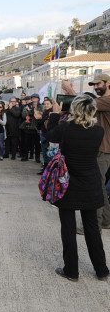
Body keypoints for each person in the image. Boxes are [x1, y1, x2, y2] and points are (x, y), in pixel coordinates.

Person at [46, 95, 109, 282]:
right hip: (91, 184)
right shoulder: (98, 131)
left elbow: (50, 135)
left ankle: (71, 270)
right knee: (92, 229)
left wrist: (55, 115)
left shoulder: (65, 128)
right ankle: (102, 269)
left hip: (68, 185)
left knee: (68, 228)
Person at [63, 76, 110, 231]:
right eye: (94, 84)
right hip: (101, 149)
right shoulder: (101, 101)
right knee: (100, 187)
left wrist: (69, 89)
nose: (96, 86)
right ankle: (105, 220)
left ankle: (93, 225)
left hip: (103, 150)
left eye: (99, 83)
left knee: (96, 187)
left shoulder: (107, 100)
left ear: (108, 83)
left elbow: (84, 103)